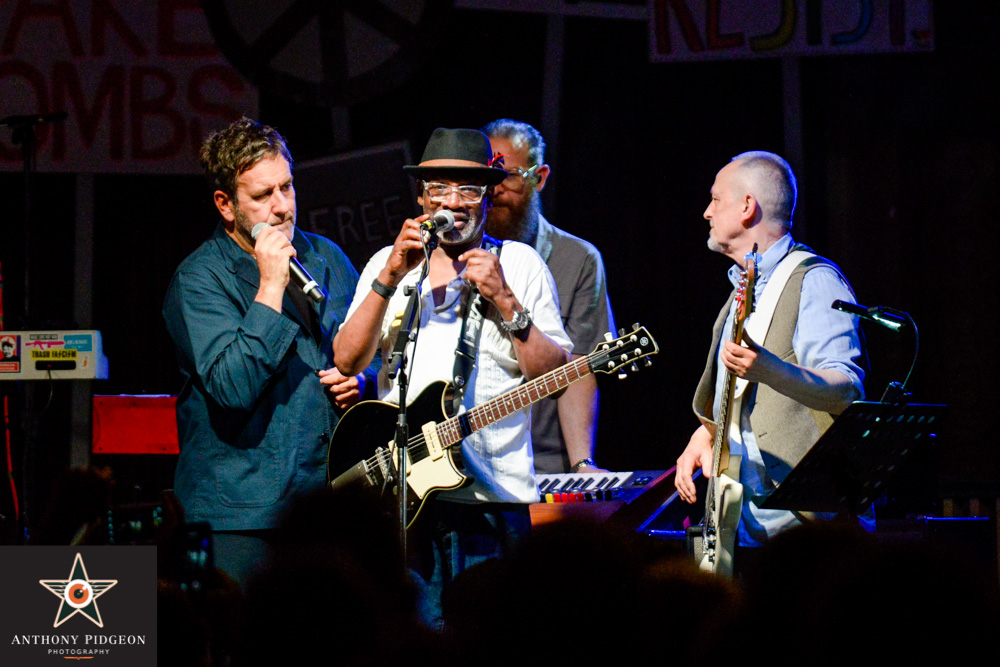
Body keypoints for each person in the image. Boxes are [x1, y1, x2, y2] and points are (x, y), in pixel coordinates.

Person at [333, 127, 571, 627]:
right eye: (441, 188)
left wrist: (505, 299)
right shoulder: (388, 264)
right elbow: (348, 360)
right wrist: (389, 276)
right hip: (401, 500)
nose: (455, 203)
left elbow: (553, 377)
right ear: (422, 197)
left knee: (487, 643)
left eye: (469, 189)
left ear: (488, 198)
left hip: (489, 500)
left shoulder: (520, 263)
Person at [162, 118, 374, 586]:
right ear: (226, 204)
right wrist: (271, 285)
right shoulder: (199, 280)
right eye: (262, 195)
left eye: (287, 187)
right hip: (241, 514)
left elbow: (373, 347)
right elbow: (233, 387)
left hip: (325, 501)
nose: (282, 207)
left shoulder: (328, 257)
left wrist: (363, 378)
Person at [674, 151, 866, 552]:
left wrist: (770, 369)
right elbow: (744, 403)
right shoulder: (742, 290)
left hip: (808, 526)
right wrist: (706, 433)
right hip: (746, 525)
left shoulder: (814, 281)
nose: (707, 212)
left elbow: (846, 388)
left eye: (716, 200)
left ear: (747, 207)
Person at [482, 119, 615, 475]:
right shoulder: (453, 255)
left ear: (538, 178)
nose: (494, 191)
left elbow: (579, 367)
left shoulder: (578, 259)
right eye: (486, 177)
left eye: (507, 176)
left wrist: (582, 463)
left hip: (540, 464)